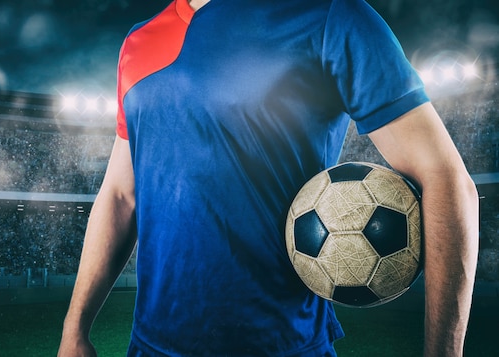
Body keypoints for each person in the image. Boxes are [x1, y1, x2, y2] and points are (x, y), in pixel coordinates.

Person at [58, 0, 479, 355]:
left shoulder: (331, 15)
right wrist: (74, 328)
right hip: (152, 344)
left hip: (285, 343)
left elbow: (446, 178)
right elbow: (119, 196)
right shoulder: (138, 42)